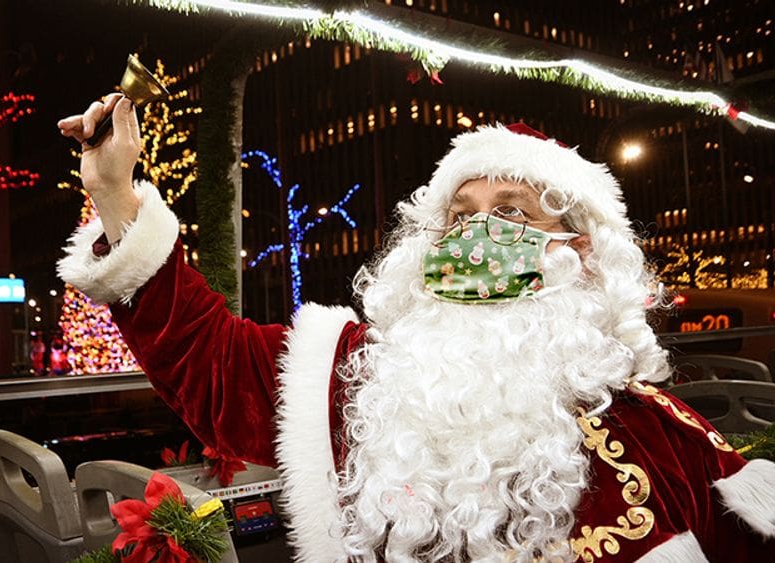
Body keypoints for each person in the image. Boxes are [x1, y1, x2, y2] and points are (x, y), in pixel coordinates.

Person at [57, 94, 775, 562]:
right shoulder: (357, 379)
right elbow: (202, 352)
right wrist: (115, 195)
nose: (477, 235)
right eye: (461, 215)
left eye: (514, 212)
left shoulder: (662, 437)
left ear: (578, 252)